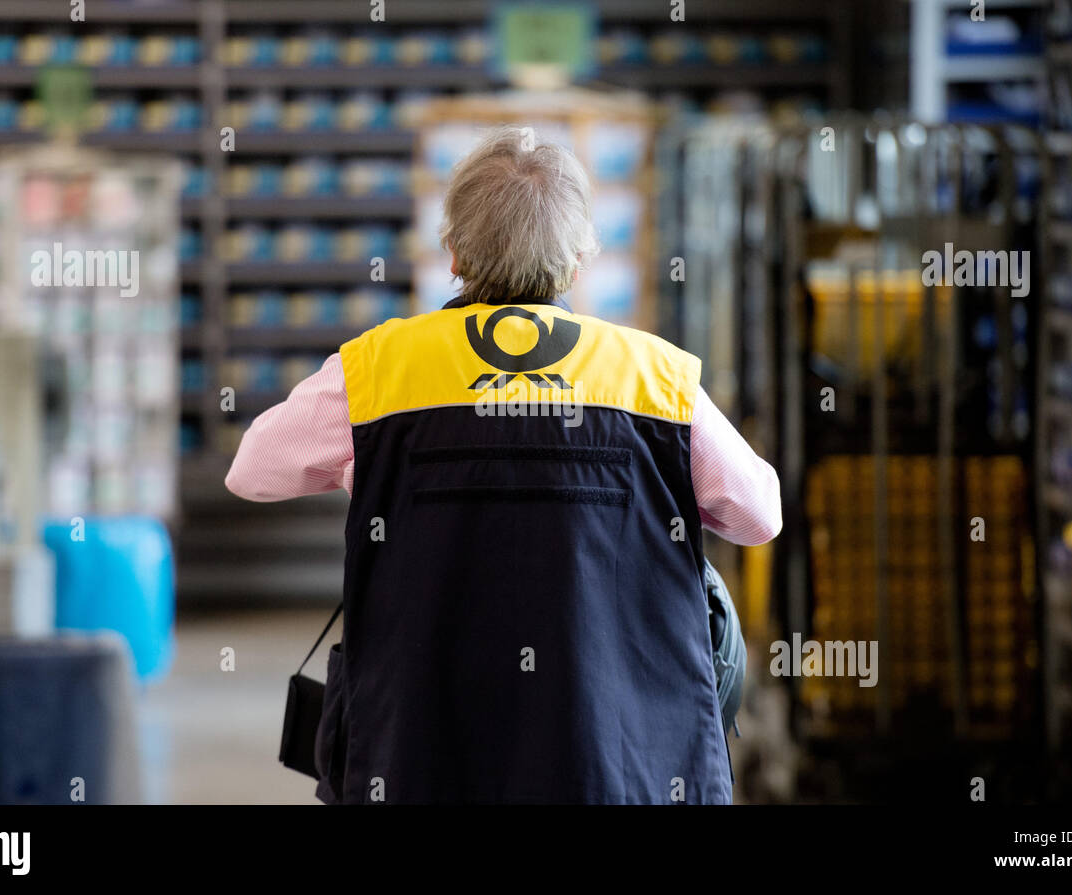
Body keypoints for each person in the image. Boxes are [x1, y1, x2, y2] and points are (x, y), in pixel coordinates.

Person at [225, 125, 782, 804]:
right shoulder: (654, 378)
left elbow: (251, 470)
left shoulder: (378, 371)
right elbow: (760, 516)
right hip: (618, 764)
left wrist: (364, 466)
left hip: (423, 759)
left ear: (453, 253)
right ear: (578, 262)